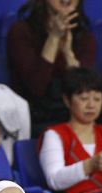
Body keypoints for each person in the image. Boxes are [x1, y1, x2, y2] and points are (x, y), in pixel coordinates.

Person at [8, 0, 96, 134]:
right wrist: (54, 38)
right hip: (35, 115)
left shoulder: (85, 37)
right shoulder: (21, 31)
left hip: (71, 113)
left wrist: (68, 55)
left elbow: (84, 91)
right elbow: (36, 87)